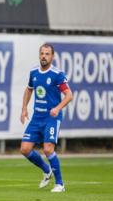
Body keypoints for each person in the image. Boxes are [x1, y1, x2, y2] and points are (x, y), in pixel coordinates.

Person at [20, 43, 73, 192]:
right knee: (24, 149)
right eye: (42, 53)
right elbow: (29, 90)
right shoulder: (34, 73)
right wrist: (24, 108)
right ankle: (46, 170)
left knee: (48, 149)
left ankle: (60, 184)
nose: (44, 56)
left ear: (52, 56)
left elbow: (69, 95)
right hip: (37, 117)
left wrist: (57, 108)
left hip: (51, 117)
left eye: (47, 54)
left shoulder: (57, 74)